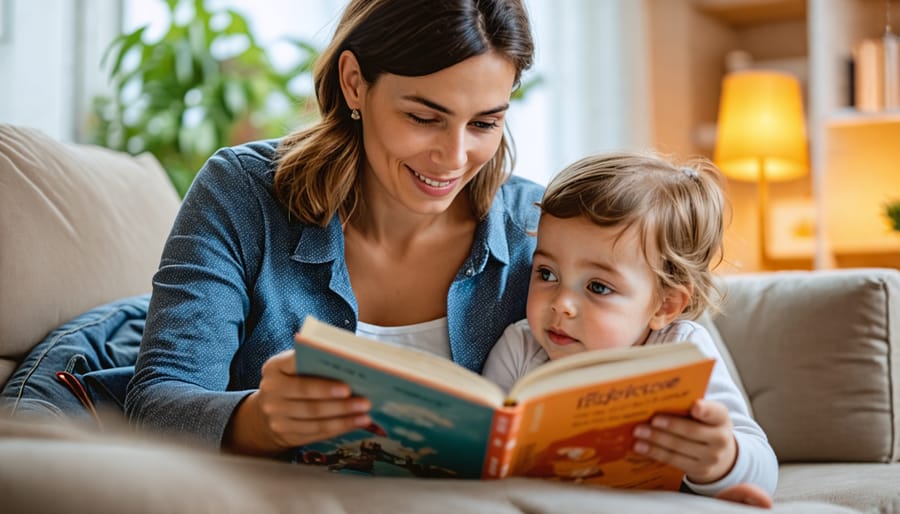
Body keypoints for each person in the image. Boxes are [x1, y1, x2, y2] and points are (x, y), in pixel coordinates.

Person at [125, 0, 543, 458]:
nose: (455, 156)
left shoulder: (539, 230)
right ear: (354, 83)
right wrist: (261, 421)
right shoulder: (242, 193)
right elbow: (155, 405)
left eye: (485, 123)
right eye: (423, 118)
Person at [481, 152, 778, 507]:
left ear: (664, 305)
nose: (561, 304)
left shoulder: (679, 351)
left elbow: (764, 465)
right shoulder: (520, 346)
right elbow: (485, 444)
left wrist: (723, 459)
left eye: (598, 287)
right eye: (547, 274)